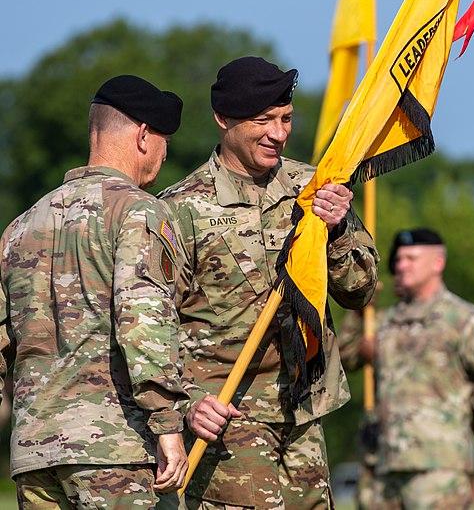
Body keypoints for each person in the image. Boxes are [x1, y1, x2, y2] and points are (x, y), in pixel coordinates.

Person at [158, 56, 378, 509]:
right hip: (226, 424)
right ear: (223, 119)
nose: (278, 134)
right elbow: (150, 325)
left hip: (304, 417)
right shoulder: (179, 209)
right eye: (263, 120)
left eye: (286, 119)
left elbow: (360, 290)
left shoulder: (314, 188)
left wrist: (337, 230)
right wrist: (189, 402)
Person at [0, 74, 190, 506]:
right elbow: (145, 325)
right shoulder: (138, 212)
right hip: (114, 450)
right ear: (144, 136)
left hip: (34, 455)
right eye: (165, 141)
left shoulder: (21, 226)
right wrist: (168, 425)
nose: (165, 154)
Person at [351, 228, 474, 509]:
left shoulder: (463, 319)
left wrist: (463, 419)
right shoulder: (386, 321)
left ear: (437, 263)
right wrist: (358, 312)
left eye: (411, 258)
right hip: (383, 463)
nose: (401, 265)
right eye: (400, 259)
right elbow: (346, 357)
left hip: (438, 467)